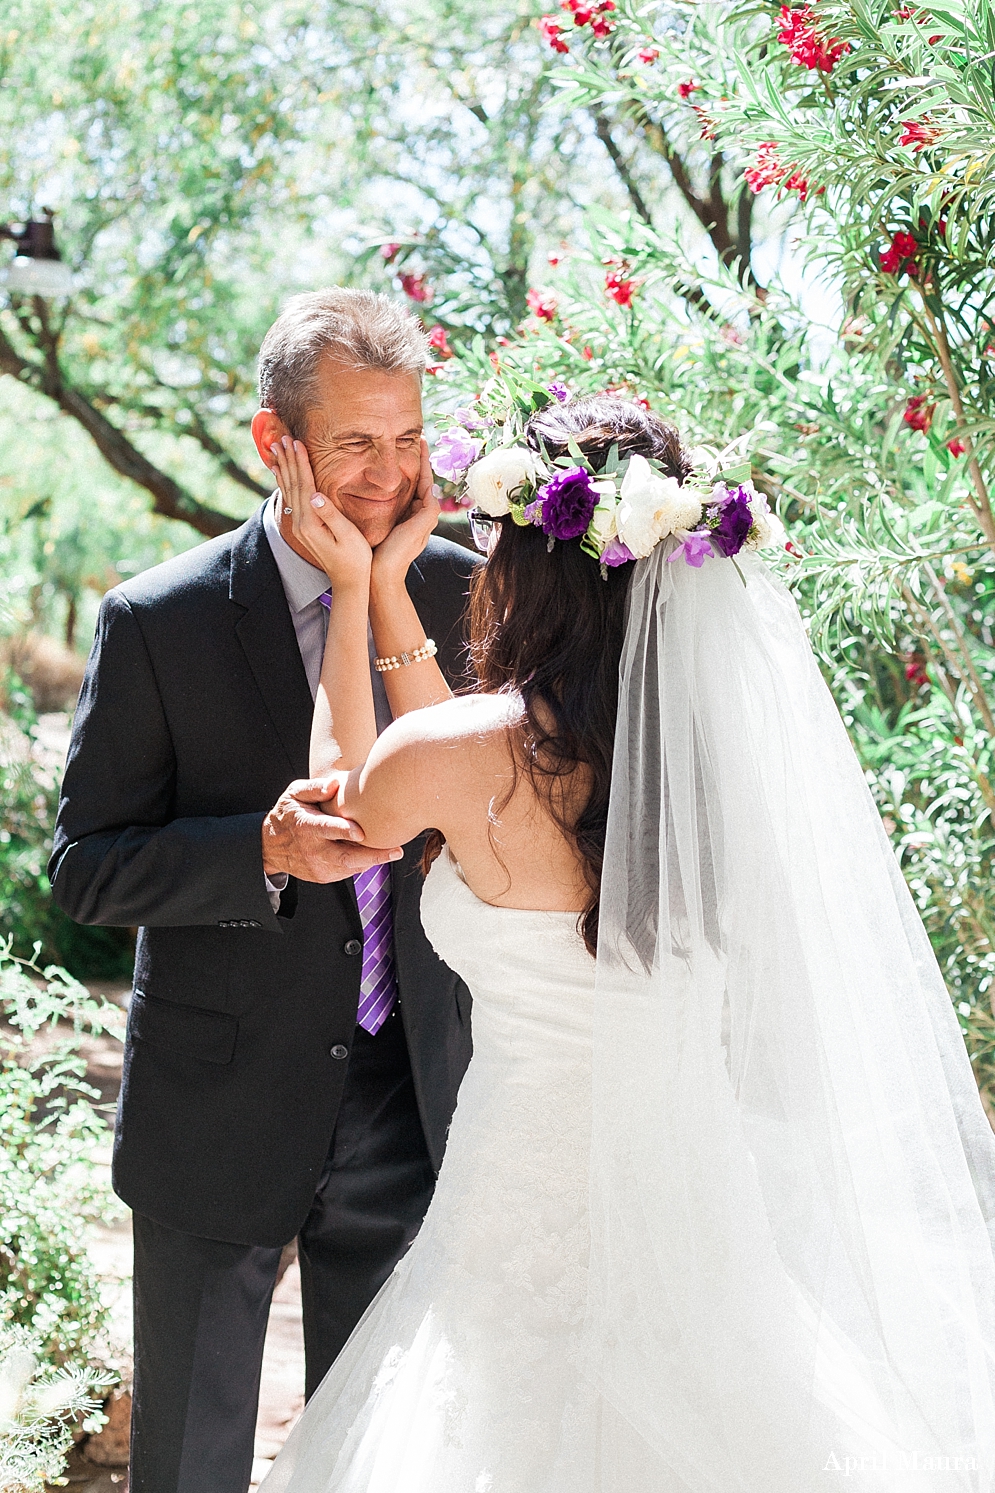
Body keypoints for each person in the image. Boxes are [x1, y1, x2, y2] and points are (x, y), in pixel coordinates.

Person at [262, 392, 995, 1493]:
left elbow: (353, 801)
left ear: (520, 569)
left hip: (519, 1194)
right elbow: (454, 768)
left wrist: (364, 584)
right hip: (693, 1179)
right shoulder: (720, 765)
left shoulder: (456, 756)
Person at [48, 289, 479, 1493]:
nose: (388, 475)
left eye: (407, 440)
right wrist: (264, 852)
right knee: (187, 1466)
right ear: (271, 443)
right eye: (353, 443)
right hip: (216, 1113)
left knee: (375, 1460)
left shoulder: (467, 593)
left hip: (416, 1101)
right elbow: (86, 866)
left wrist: (387, 588)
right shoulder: (157, 621)